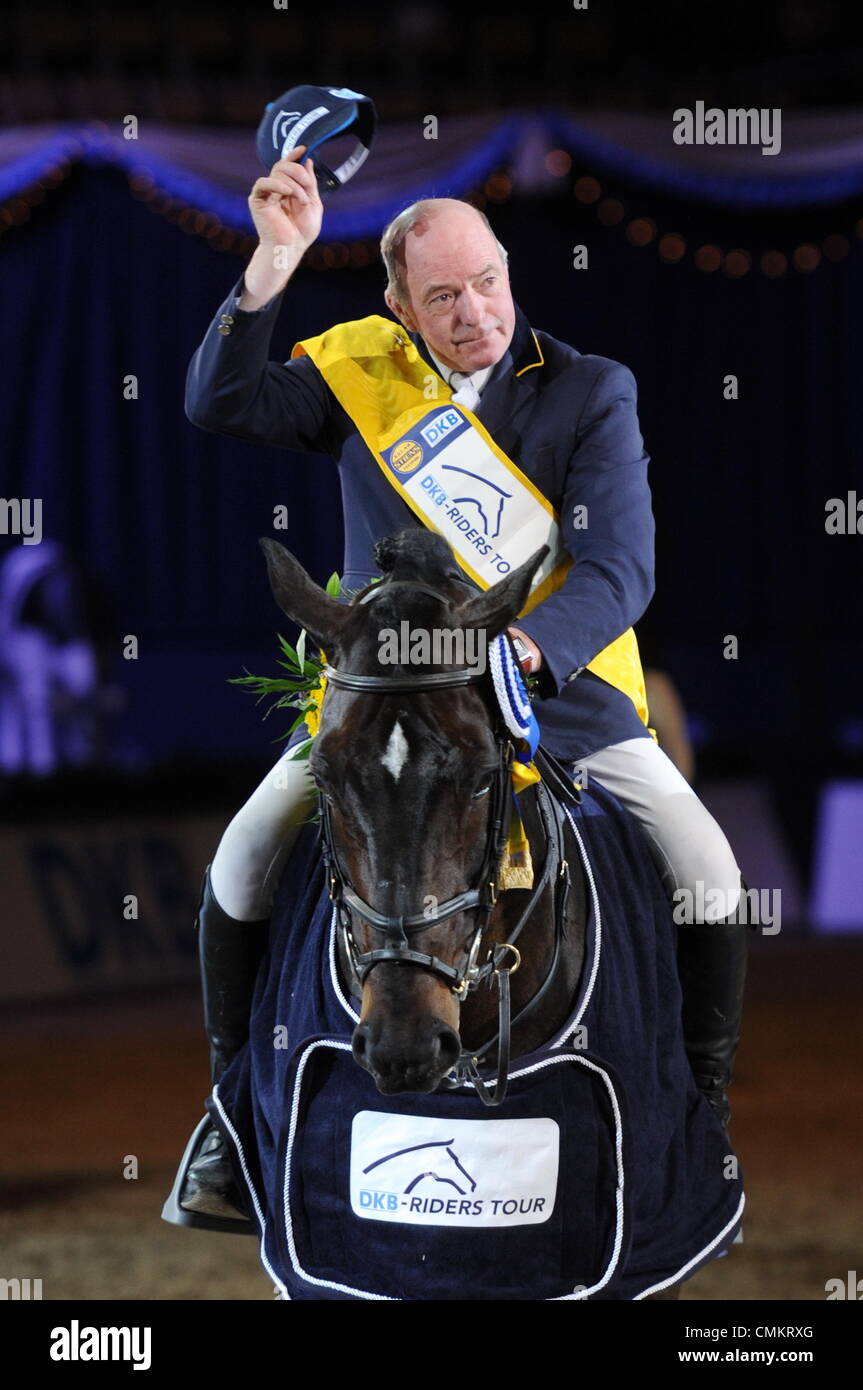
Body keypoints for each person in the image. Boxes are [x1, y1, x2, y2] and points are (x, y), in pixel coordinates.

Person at [173, 147, 750, 1225]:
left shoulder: (588, 390)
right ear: (400, 303)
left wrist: (527, 648)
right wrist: (272, 260)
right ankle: (226, 1122)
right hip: (384, 696)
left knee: (708, 871)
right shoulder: (358, 373)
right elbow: (218, 398)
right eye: (442, 296)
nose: (475, 311)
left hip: (557, 694)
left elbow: (623, 567)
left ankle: (698, 1121)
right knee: (244, 855)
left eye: (487, 282)